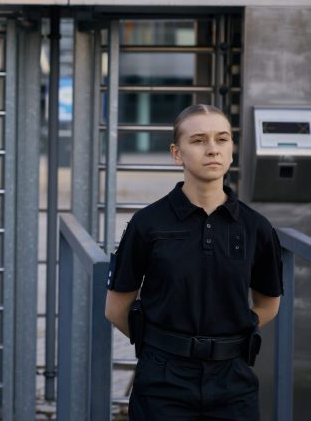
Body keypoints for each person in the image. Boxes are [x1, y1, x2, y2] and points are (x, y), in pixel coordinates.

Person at [105, 104, 283, 420]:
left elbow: (268, 304)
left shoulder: (257, 227)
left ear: (232, 150)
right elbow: (116, 309)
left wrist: (228, 338)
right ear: (177, 153)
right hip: (163, 383)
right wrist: (165, 349)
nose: (212, 149)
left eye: (222, 139)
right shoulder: (147, 224)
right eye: (199, 140)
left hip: (234, 381)